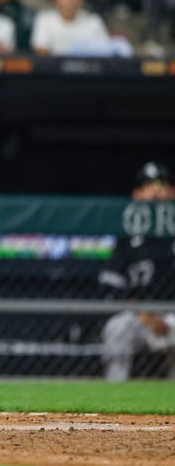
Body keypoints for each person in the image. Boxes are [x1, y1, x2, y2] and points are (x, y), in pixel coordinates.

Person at [100, 161, 175, 381]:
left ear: (172, 192)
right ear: (136, 195)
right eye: (147, 186)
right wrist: (143, 313)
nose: (154, 191)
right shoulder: (126, 239)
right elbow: (111, 287)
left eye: (160, 185)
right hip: (138, 317)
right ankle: (114, 397)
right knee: (117, 327)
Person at [30, 0, 114, 57]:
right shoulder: (45, 19)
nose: (71, 0)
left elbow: (105, 51)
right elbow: (40, 48)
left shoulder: (94, 21)